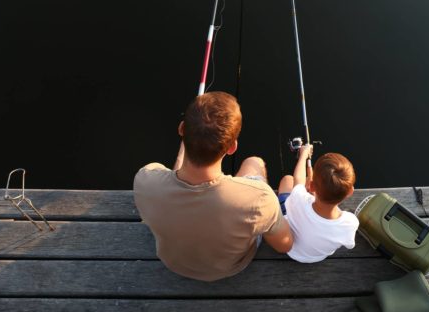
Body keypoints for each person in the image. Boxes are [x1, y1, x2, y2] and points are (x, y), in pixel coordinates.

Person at [133, 91, 293, 281]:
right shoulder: (260, 200)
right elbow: (285, 245)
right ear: (232, 147)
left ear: (181, 128)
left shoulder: (145, 180)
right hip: (231, 268)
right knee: (253, 162)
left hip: (173, 263)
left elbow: (168, 175)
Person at [277, 144, 359, 263]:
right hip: (316, 257)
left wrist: (303, 155)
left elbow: (297, 179)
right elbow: (349, 244)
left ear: (312, 186)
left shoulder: (299, 199)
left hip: (291, 250)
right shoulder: (350, 223)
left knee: (287, 179)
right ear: (350, 192)